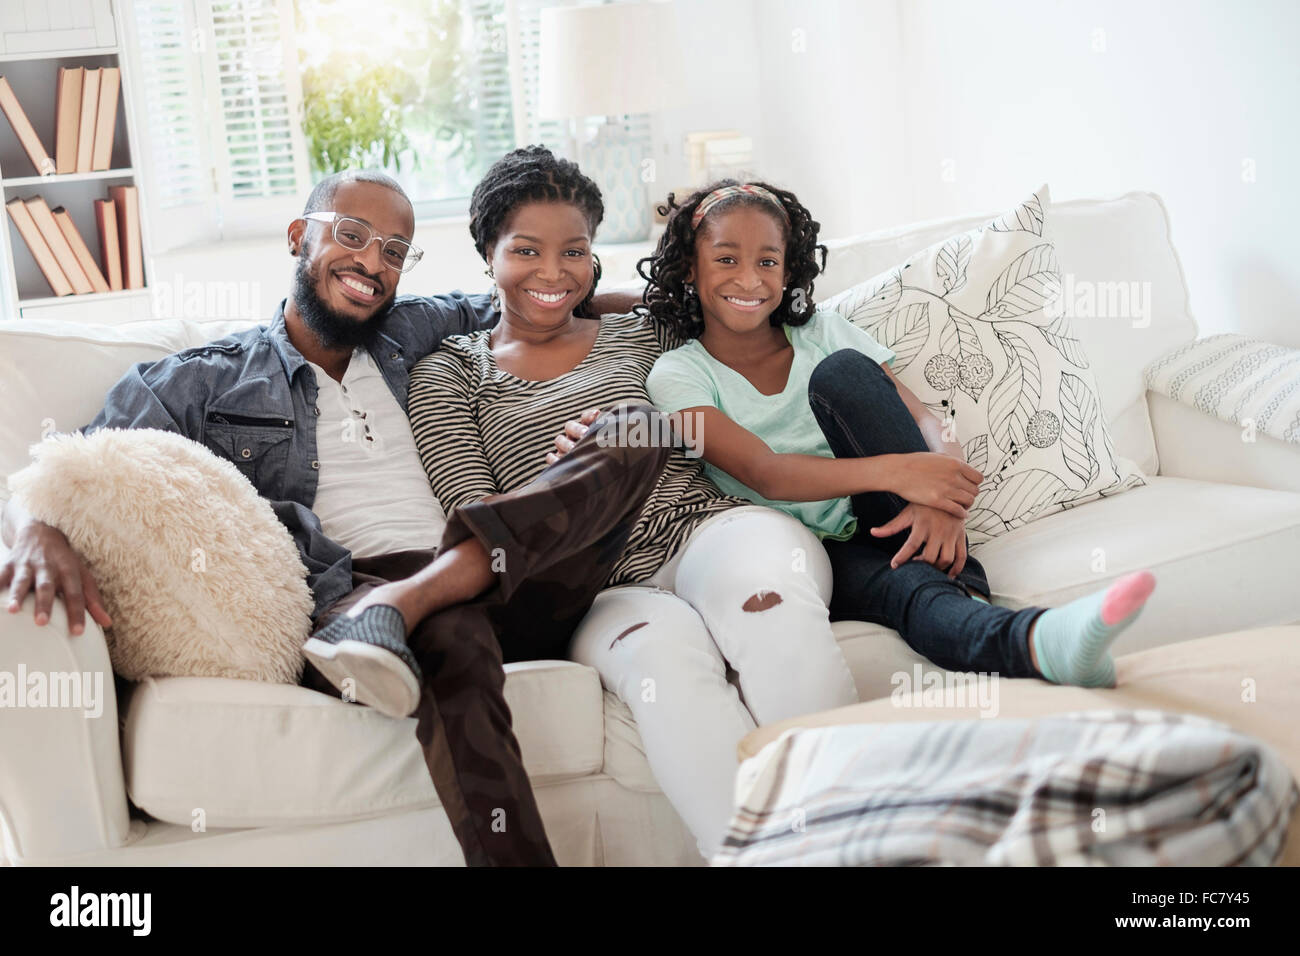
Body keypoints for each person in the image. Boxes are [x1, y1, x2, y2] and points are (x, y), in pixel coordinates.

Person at [0, 168, 652, 867]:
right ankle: (409, 611)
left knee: (636, 427)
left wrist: (665, 303)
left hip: (507, 571)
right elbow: (83, 464)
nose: (373, 262)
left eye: (395, 250)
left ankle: (420, 598)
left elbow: (527, 294)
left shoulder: (412, 332)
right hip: (357, 598)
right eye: (352, 235)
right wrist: (35, 527)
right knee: (453, 631)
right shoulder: (206, 377)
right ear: (296, 238)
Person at [408, 147, 859, 859]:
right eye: (526, 250)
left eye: (574, 252)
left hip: (715, 529)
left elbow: (736, 302)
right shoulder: (449, 373)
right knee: (665, 673)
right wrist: (571, 474)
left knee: (768, 611)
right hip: (596, 584)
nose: (553, 273)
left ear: (594, 260)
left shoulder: (644, 332)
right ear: (486, 252)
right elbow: (483, 521)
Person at [641, 180, 1158, 691]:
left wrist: (942, 501)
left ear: (789, 269)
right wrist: (905, 473)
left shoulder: (820, 332)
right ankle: (1043, 640)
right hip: (811, 551)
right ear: (690, 266)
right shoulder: (678, 375)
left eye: (768, 262)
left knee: (843, 372)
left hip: (892, 508)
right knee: (912, 592)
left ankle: (1023, 623)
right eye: (726, 259)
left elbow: (931, 422)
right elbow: (765, 473)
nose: (749, 279)